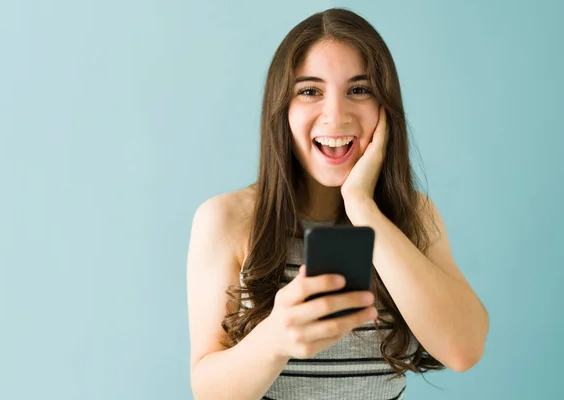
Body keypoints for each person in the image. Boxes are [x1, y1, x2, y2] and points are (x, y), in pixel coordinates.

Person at [186, 7, 489, 400]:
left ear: (385, 109)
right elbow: (208, 392)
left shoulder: (414, 216)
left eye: (359, 90)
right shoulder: (228, 219)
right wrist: (276, 338)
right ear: (282, 109)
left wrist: (363, 208)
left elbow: (463, 349)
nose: (335, 115)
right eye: (310, 91)